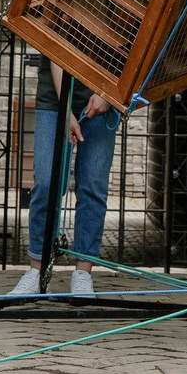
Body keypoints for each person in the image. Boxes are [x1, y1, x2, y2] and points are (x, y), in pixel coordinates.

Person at [16, 58, 120, 297]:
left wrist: (107, 93)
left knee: (93, 186)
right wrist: (66, 110)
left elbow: (129, 53)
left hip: (103, 94)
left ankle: (83, 274)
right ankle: (37, 271)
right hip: (54, 98)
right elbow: (57, 50)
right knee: (46, 184)